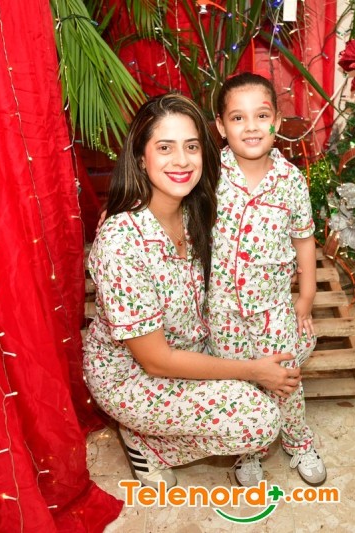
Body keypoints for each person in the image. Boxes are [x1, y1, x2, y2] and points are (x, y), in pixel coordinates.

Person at [83, 93, 302, 489]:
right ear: (141, 157)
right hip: (136, 375)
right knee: (259, 422)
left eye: (192, 146)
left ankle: (164, 427)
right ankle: (147, 444)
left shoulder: (194, 209)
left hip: (195, 347)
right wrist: (253, 371)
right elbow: (156, 361)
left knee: (281, 358)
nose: (182, 161)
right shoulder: (121, 244)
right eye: (165, 148)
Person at [207, 72, 327, 487]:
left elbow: (304, 239)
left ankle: (297, 442)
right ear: (221, 126)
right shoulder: (209, 175)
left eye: (261, 116)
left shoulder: (290, 180)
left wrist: (306, 296)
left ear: (276, 120)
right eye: (237, 118)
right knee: (240, 380)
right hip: (222, 309)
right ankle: (250, 449)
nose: (251, 127)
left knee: (284, 378)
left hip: (274, 307)